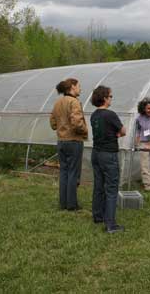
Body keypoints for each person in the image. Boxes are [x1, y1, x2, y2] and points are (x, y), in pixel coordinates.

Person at [90, 85, 126, 233]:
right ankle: (111, 224)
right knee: (111, 188)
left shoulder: (94, 115)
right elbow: (122, 131)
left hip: (96, 153)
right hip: (108, 155)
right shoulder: (110, 114)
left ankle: (98, 216)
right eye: (110, 96)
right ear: (104, 98)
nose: (111, 99)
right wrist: (117, 134)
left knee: (99, 185)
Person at [50, 78, 88, 211]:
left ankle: (63, 203)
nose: (80, 89)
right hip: (74, 141)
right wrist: (85, 130)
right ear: (72, 87)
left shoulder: (58, 102)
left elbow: (53, 124)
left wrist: (61, 128)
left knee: (64, 172)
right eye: (79, 86)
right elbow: (77, 122)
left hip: (61, 141)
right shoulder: (74, 102)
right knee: (73, 173)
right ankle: (72, 205)